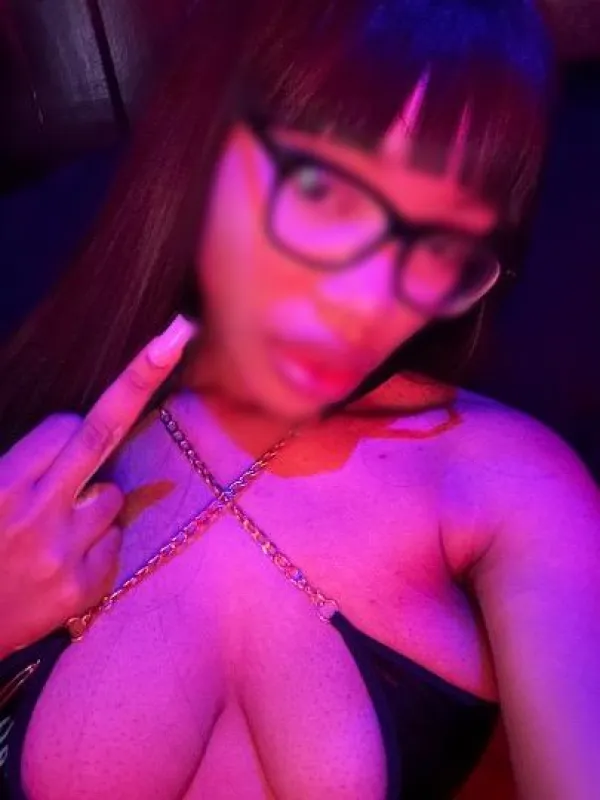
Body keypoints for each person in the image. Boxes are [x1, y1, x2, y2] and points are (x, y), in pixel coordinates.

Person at [0, 1, 598, 798]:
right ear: (207, 147)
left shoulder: (503, 479)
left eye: (438, 244)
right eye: (320, 189)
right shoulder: (33, 434)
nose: (366, 298)